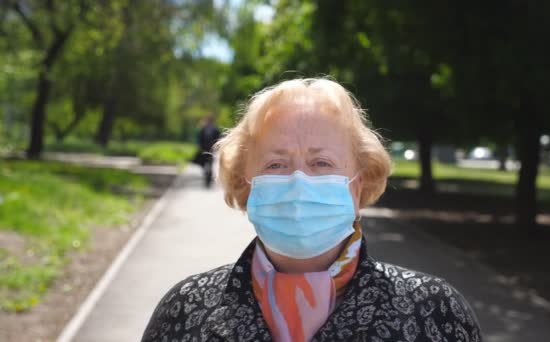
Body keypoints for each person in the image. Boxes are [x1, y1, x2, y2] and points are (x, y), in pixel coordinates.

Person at [142, 78, 482, 341]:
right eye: (276, 164)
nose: (298, 182)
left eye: (321, 162)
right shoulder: (185, 310)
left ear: (358, 184)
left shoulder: (436, 313)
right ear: (246, 183)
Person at [194, 115, 221, 188]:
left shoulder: (210, 129)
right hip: (208, 149)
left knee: (208, 163)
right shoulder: (209, 129)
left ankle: (208, 177)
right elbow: (218, 139)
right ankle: (208, 176)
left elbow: (218, 139)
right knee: (207, 163)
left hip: (208, 149)